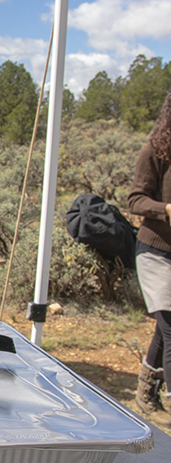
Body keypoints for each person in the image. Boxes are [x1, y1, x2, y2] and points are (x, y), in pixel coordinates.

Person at [128, 88, 171, 427]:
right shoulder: (155, 152)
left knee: (165, 327)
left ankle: (145, 392)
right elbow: (135, 200)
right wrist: (166, 209)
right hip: (156, 251)